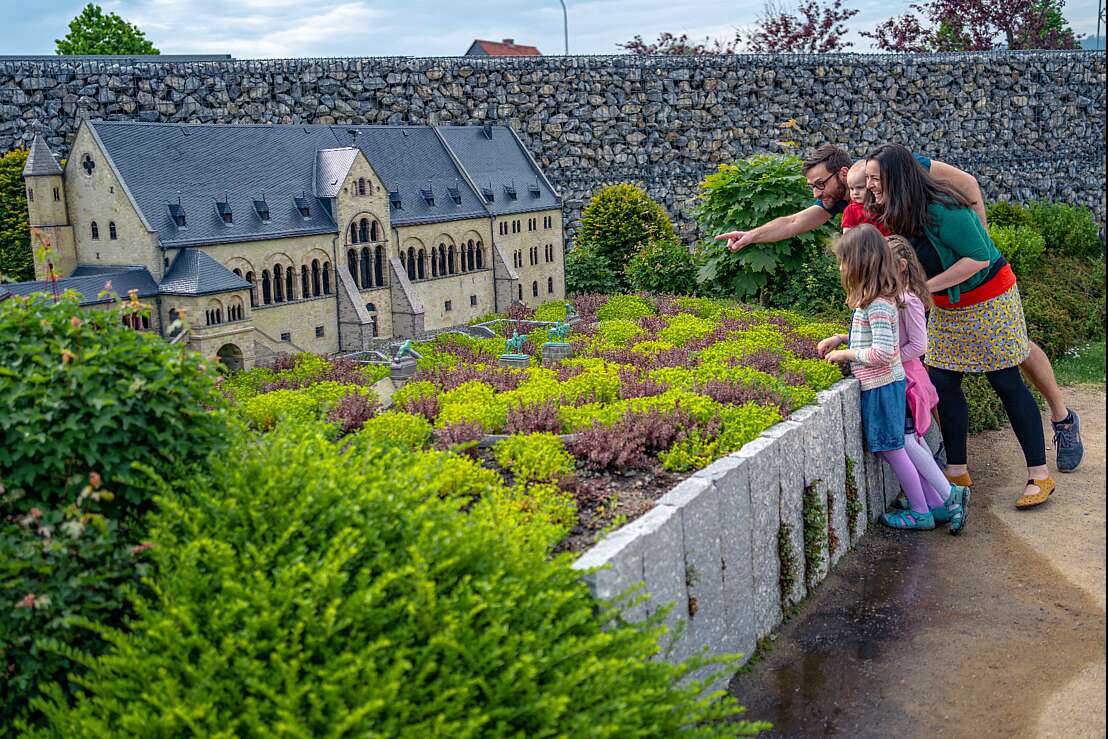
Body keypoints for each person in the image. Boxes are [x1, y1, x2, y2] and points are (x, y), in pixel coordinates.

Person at [715, 144, 1082, 472]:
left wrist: (975, 242)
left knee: (1014, 354)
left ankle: (1062, 419)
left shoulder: (899, 172)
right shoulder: (848, 201)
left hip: (965, 278)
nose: (817, 193)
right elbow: (796, 221)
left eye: (819, 184)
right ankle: (951, 460)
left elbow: (968, 184)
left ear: (845, 175)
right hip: (922, 288)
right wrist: (751, 236)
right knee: (937, 373)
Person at [864, 143, 1055, 509]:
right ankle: (956, 470)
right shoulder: (899, 210)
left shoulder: (944, 208)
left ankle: (1039, 475)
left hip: (990, 300)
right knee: (943, 381)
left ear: (898, 178)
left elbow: (978, 258)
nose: (870, 184)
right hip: (949, 308)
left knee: (1006, 381)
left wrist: (922, 289)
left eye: (876, 177)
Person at [817, 225, 967, 530]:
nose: (841, 267)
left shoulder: (879, 304)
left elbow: (885, 352)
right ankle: (936, 505)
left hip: (883, 386)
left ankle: (921, 511)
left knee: (893, 448)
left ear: (861, 263)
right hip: (883, 385)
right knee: (897, 447)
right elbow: (873, 340)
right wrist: (842, 339)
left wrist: (847, 355)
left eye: (844, 260)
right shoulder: (874, 301)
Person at [886, 235, 966, 530]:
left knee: (908, 441)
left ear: (902, 266)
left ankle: (949, 494)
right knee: (913, 441)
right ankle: (937, 502)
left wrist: (888, 357)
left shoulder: (908, 301)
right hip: (903, 378)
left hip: (908, 381)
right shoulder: (896, 299)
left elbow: (918, 346)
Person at [841, 161, 890, 235]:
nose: (855, 193)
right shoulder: (851, 211)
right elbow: (847, 236)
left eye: (860, 187)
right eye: (851, 188)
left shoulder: (882, 204)